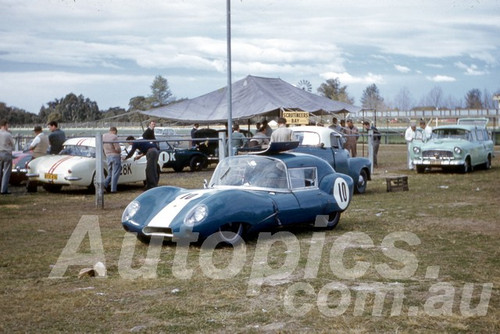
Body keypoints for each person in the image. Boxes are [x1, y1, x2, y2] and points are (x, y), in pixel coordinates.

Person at [102, 127, 122, 193]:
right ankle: (113, 189)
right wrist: (120, 151)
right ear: (114, 131)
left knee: (110, 173)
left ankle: (103, 185)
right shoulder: (114, 137)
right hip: (115, 156)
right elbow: (117, 148)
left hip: (108, 156)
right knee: (115, 173)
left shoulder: (103, 136)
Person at [0, 119, 14, 195]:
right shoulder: (8, 134)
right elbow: (13, 144)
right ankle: (3, 190)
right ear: (5, 125)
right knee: (6, 172)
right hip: (6, 153)